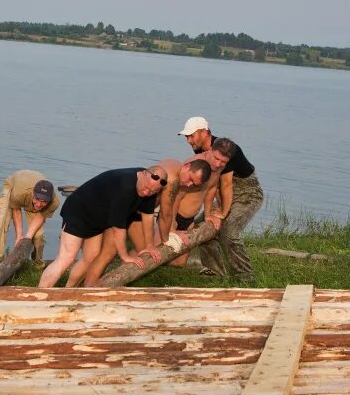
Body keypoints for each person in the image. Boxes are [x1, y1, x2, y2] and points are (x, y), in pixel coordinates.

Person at [81, 157, 211, 286]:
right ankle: (89, 290)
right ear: (187, 166)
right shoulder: (172, 179)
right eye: (190, 179)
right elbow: (165, 213)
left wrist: (172, 230)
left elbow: (169, 208)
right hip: (130, 211)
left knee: (134, 252)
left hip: (135, 210)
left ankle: (106, 284)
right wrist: (168, 238)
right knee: (112, 252)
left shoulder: (174, 164)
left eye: (194, 184)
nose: (189, 185)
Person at [38, 166, 167, 288]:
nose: (146, 192)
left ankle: (68, 291)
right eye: (145, 188)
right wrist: (125, 256)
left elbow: (148, 217)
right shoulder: (125, 186)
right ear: (143, 173)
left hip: (96, 219)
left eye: (152, 191)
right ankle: (39, 295)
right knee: (66, 259)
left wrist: (150, 245)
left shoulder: (152, 187)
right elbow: (118, 229)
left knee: (91, 257)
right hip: (79, 212)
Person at [178, 116, 264, 281]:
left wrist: (223, 213)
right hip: (224, 194)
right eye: (186, 136)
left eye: (191, 135)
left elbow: (225, 185)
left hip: (248, 193)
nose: (188, 140)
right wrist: (210, 213)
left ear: (204, 132)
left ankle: (245, 277)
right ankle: (215, 271)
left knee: (229, 230)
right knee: (202, 226)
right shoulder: (200, 149)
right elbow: (212, 185)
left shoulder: (226, 149)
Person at [0, 170, 59, 266]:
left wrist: (27, 237)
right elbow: (16, 210)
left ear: (49, 199)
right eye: (37, 199)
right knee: (3, 220)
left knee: (38, 235)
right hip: (14, 187)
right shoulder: (18, 194)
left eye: (44, 201)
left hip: (27, 194)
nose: (39, 204)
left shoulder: (54, 202)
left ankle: (37, 262)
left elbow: (40, 216)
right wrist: (19, 236)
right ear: (33, 193)